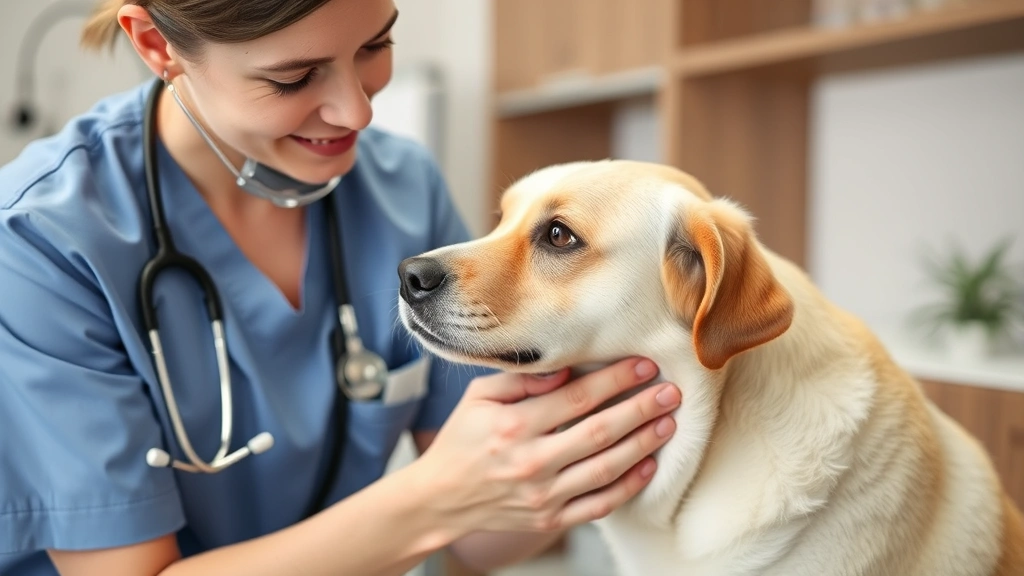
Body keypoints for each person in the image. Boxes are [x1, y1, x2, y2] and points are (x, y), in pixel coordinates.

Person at [0, 0, 683, 574]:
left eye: (375, 45)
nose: (356, 112)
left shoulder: (401, 189)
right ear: (155, 44)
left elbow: (484, 536)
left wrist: (595, 439)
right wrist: (435, 497)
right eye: (294, 77)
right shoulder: (41, 240)